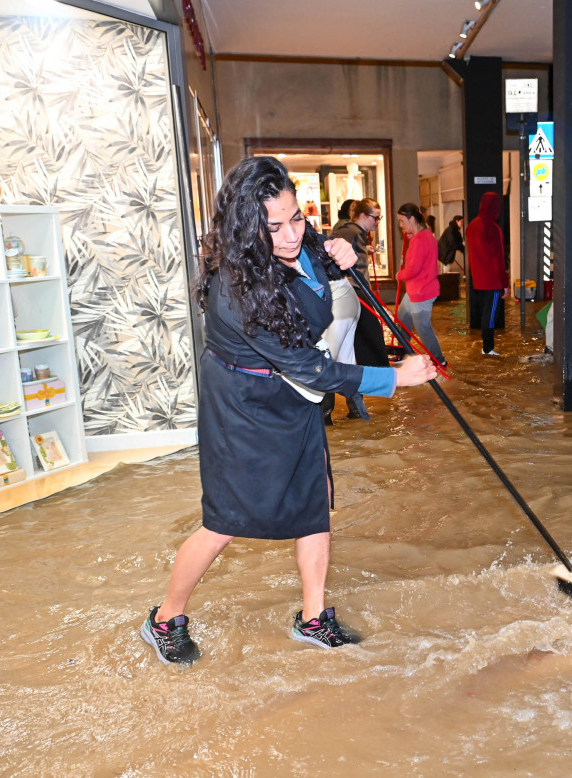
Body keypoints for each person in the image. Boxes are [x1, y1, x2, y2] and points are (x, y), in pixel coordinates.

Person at [140, 157, 436, 665]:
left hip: (291, 395)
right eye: (272, 226)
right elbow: (314, 369)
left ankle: (313, 617)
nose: (290, 234)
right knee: (226, 519)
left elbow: (320, 283)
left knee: (313, 498)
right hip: (243, 403)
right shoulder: (235, 290)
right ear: (245, 227)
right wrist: (394, 377)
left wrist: (342, 253)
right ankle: (165, 618)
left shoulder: (303, 238)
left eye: (295, 217)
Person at [331, 198, 390, 373]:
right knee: (371, 332)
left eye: (380, 218)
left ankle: (369, 375)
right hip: (354, 290)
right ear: (363, 216)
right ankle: (378, 374)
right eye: (375, 218)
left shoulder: (356, 232)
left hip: (356, 289)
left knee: (361, 334)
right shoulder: (350, 231)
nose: (378, 222)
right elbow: (328, 248)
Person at [321, 197, 364, 424]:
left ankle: (323, 419)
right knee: (345, 361)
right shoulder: (313, 242)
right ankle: (358, 413)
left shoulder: (306, 246)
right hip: (345, 297)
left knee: (326, 362)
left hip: (339, 300)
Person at [394, 203, 446, 367]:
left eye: (402, 221)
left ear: (411, 219)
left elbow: (412, 270)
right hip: (415, 289)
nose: (401, 225)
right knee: (402, 318)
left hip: (422, 291)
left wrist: (399, 275)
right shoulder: (425, 235)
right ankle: (404, 352)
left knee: (422, 327)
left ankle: (439, 360)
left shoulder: (419, 240)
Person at [466, 192, 510, 356]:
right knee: (490, 315)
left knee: (485, 313)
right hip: (492, 281)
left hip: (478, 279)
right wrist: (504, 283)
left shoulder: (472, 226)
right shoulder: (493, 228)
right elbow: (498, 259)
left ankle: (486, 346)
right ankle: (488, 348)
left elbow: (471, 255)